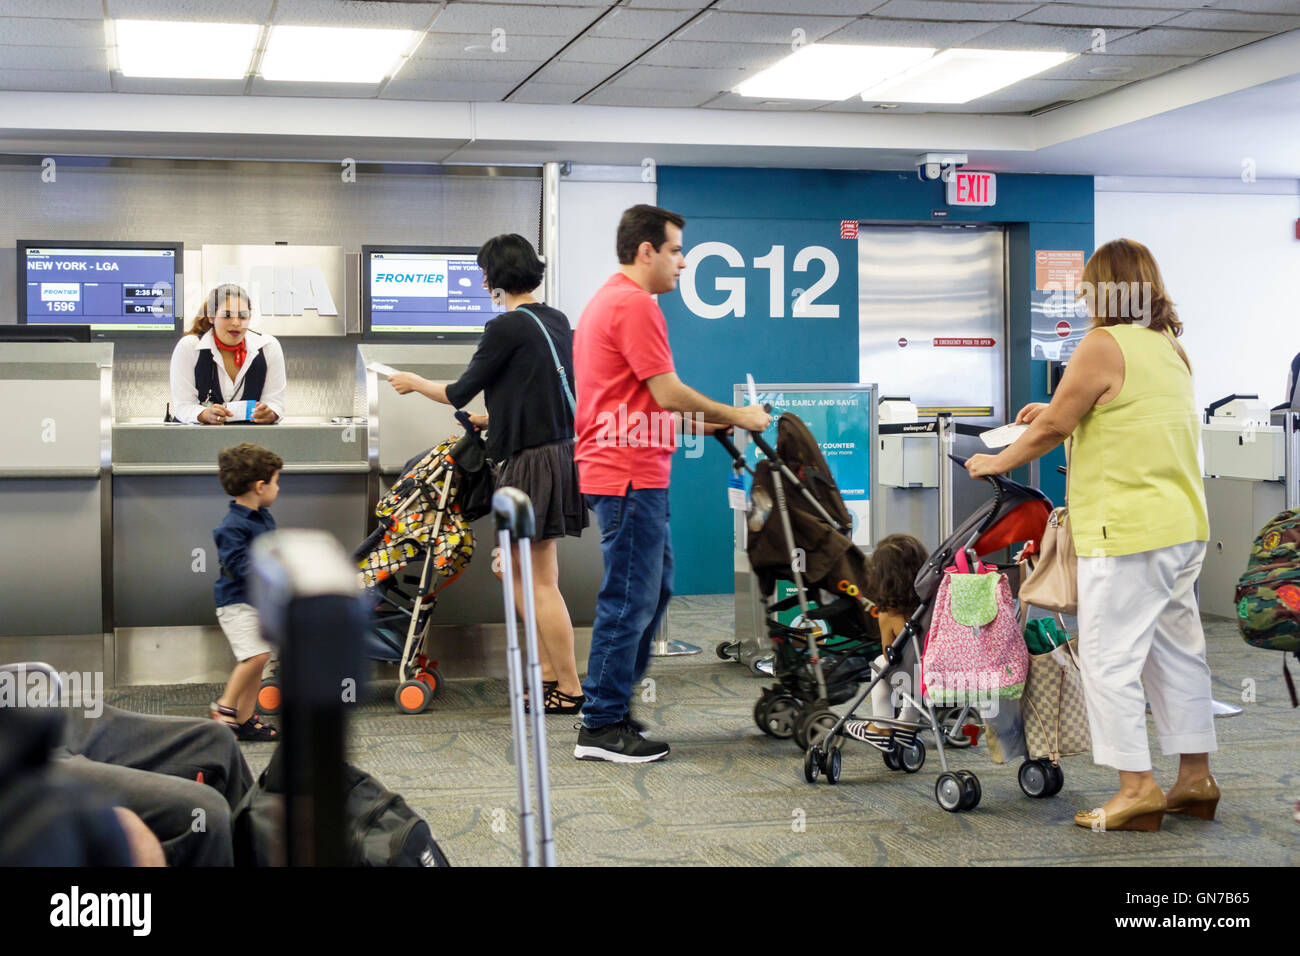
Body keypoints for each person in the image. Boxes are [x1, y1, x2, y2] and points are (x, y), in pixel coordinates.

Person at [966, 237, 1217, 832]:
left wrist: (995, 463)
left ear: (1103, 288)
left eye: (1086, 286)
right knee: (1176, 654)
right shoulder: (1168, 347)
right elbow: (1103, 412)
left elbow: (1057, 424)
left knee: (1108, 659)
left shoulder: (1102, 343)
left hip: (1128, 531)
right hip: (1182, 526)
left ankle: (1136, 789)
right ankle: (1195, 778)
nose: (1080, 296)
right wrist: (1048, 410)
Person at [571, 204, 771, 763]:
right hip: (629, 474)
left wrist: (703, 423)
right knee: (632, 597)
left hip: (624, 469)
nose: (683, 262)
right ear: (646, 252)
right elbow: (665, 390)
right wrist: (738, 416)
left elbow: (635, 398)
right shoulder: (635, 305)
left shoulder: (608, 300)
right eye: (677, 250)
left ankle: (609, 711)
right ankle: (601, 722)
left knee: (650, 591)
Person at [387, 234, 589, 713]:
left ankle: (570, 687)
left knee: (535, 581)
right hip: (560, 456)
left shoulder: (504, 328)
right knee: (534, 575)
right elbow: (542, 396)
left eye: (484, 273)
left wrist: (413, 383)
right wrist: (495, 420)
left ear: (494, 278)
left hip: (529, 465)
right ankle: (546, 676)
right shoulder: (556, 321)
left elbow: (458, 392)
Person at [210, 443, 282, 740]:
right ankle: (224, 709)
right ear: (260, 486)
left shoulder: (263, 517)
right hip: (236, 603)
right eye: (277, 482)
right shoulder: (232, 526)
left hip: (258, 602)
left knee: (260, 658)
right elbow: (238, 565)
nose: (279, 489)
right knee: (254, 657)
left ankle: (243, 720)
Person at [842, 534, 928, 749]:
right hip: (947, 676)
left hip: (915, 680)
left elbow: (891, 656)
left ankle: (881, 727)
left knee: (882, 664)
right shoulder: (935, 605)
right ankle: (908, 724)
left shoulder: (889, 614)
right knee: (917, 666)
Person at [169, 284, 286, 425]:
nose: (236, 323)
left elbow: (275, 403)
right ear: (211, 317)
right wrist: (204, 414)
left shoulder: (268, 347)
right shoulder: (190, 346)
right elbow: (183, 406)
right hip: (197, 439)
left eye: (243, 316)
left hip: (249, 442)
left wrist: (270, 413)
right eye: (227, 315)